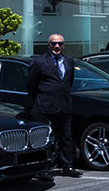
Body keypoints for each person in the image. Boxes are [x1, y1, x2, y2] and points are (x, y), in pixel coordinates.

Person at [25, 32, 80, 177]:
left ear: (63, 46)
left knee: (66, 138)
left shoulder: (69, 61)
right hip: (45, 107)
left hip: (64, 106)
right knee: (46, 139)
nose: (57, 46)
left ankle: (67, 166)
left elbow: (68, 82)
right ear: (48, 45)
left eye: (60, 44)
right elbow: (31, 84)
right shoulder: (39, 62)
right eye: (54, 43)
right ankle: (44, 169)